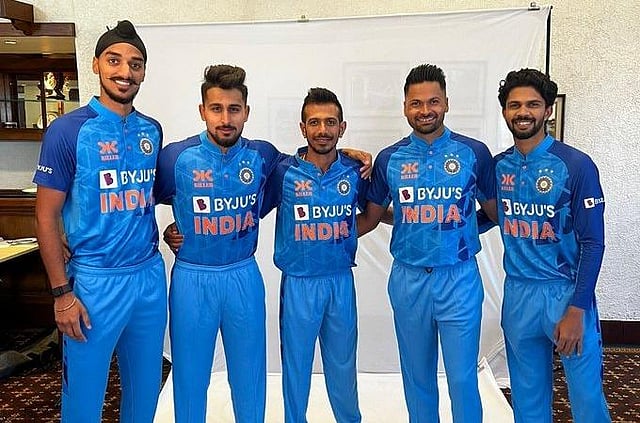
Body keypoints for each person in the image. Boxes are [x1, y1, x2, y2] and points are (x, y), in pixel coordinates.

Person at [33, 20, 167, 423]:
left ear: (144, 71)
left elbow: (154, 194)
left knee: (145, 394)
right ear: (96, 65)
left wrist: (179, 229)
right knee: (83, 400)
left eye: (135, 64)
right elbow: (45, 215)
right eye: (114, 60)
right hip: (94, 284)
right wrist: (61, 294)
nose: (125, 72)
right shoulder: (67, 131)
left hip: (148, 277)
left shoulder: (152, 129)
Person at [357, 63, 497, 423]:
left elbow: (495, 213)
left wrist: (462, 227)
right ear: (405, 107)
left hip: (459, 279)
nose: (425, 110)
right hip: (409, 280)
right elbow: (372, 217)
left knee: (462, 378)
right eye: (416, 103)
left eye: (433, 101)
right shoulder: (390, 158)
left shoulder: (473, 153)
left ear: (446, 103)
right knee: (417, 377)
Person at [154, 64, 280, 423]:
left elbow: (308, 165)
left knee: (250, 375)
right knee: (190, 376)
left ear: (246, 112)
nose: (225, 119)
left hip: (243, 276)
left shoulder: (263, 156)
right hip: (192, 278)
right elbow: (139, 201)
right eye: (216, 109)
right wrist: (167, 230)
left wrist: (351, 155)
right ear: (202, 110)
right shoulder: (175, 157)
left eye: (234, 109)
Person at [492, 68, 611, 423]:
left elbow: (593, 242)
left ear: (547, 110)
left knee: (587, 398)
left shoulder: (576, 165)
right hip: (518, 294)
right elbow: (481, 216)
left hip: (566, 294)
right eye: (515, 105)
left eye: (532, 104)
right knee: (527, 398)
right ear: (505, 111)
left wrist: (577, 309)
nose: (523, 112)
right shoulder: (499, 167)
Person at [260, 88, 367, 423]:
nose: (323, 130)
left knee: (343, 367)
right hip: (299, 283)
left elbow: (374, 213)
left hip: (340, 281)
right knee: (296, 367)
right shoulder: (283, 172)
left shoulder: (355, 171)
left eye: (330, 122)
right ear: (302, 128)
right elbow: (248, 208)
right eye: (315, 122)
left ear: (342, 127)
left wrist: (340, 233)